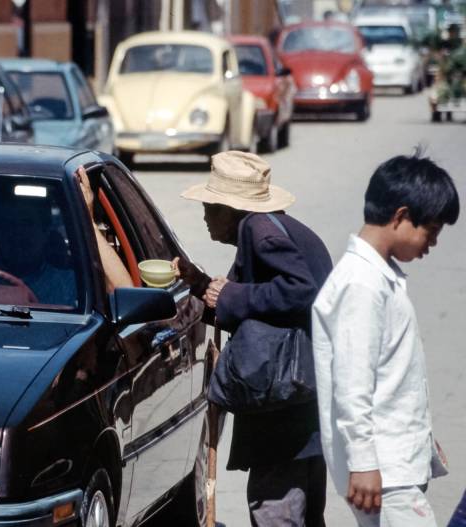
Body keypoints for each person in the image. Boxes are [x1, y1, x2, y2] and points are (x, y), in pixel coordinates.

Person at [173, 151, 332, 526]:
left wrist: (230, 296)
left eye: (212, 207)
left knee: (276, 512)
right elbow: (256, 311)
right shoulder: (269, 229)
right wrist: (200, 286)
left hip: (284, 417)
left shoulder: (258, 231)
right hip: (302, 405)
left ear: (232, 209)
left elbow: (300, 290)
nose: (206, 217)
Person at [312, 152, 460, 527]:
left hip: (394, 462)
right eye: (431, 230)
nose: (433, 244)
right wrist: (363, 463)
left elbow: (394, 377)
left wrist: (421, 440)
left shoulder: (377, 276)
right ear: (400, 217)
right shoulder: (361, 284)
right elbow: (352, 383)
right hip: (383, 471)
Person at [0, 167, 132, 305]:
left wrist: (88, 221)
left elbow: (126, 297)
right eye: (8, 224)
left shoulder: (72, 284)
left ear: (46, 231)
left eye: (27, 224)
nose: (17, 234)